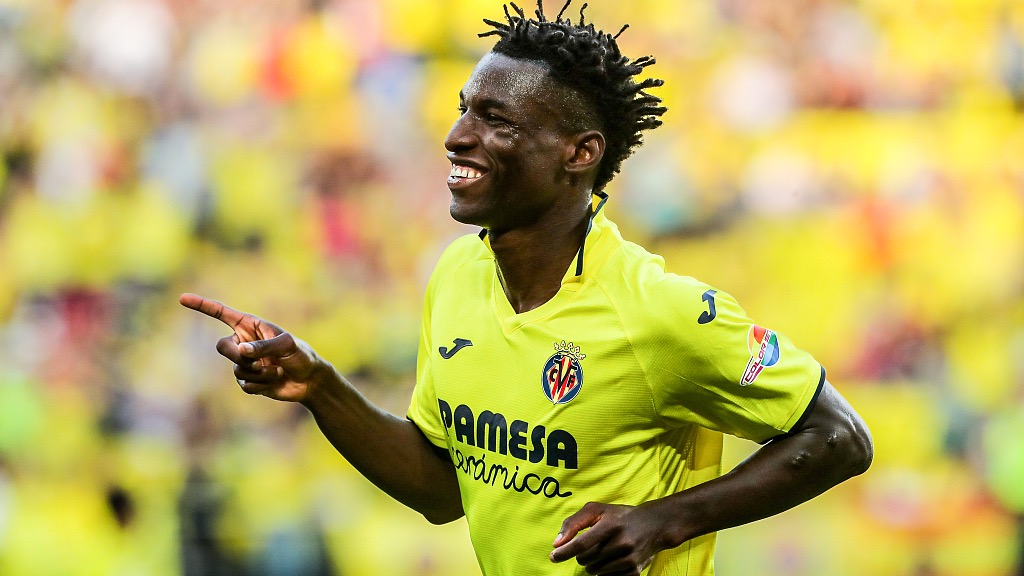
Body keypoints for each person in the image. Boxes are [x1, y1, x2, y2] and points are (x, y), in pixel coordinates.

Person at [180, 2, 874, 574]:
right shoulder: (456, 276)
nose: (456, 136)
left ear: (580, 153)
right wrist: (321, 388)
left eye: (496, 120)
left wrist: (666, 520)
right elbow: (441, 490)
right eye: (464, 110)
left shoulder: (658, 310)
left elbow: (840, 436)